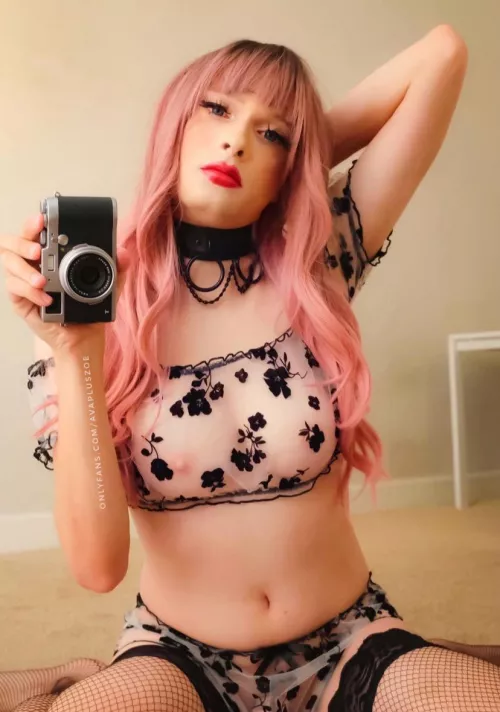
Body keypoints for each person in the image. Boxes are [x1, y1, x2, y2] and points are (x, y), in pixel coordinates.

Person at [1, 25, 498, 712]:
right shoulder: (90, 304)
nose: (236, 141)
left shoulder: (319, 264)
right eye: (216, 110)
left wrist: (297, 163)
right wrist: (76, 350)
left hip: (352, 642)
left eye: (272, 134)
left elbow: (441, 54)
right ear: (173, 125)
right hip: (179, 655)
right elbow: (97, 568)